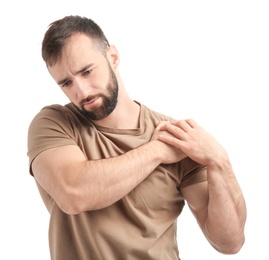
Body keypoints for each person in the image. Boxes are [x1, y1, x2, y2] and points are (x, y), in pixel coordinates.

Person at [27, 15, 247, 260]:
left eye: (87, 72)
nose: (81, 91)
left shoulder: (177, 137)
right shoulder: (54, 123)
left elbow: (229, 242)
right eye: (66, 83)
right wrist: (155, 152)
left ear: (113, 57)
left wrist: (219, 161)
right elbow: (74, 194)